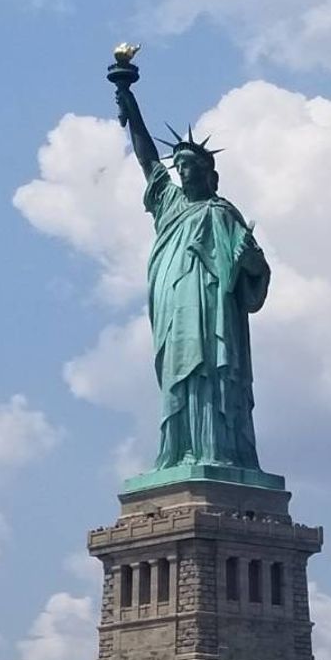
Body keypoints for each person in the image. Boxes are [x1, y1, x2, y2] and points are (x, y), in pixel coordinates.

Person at [114, 84, 270, 472]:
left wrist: (249, 261)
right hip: (173, 304)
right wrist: (129, 102)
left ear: (208, 175)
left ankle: (218, 451)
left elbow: (257, 273)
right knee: (178, 375)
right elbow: (147, 158)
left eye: (190, 167)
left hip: (214, 308)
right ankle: (179, 452)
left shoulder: (222, 212)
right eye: (179, 166)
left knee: (213, 372)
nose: (182, 171)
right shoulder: (169, 203)